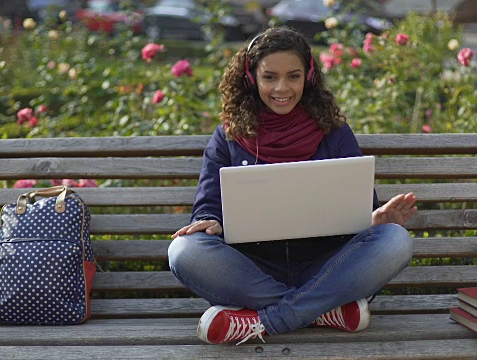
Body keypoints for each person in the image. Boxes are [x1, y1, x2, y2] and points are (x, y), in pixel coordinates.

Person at [168, 27, 417, 345]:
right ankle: (323, 310)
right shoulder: (229, 136)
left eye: (293, 76)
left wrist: (376, 219)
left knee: (395, 239)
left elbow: (360, 208)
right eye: (269, 77)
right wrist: (208, 221)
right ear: (251, 79)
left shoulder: (334, 132)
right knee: (184, 251)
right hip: (252, 269)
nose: (281, 88)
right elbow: (207, 203)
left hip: (327, 266)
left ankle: (266, 320)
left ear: (308, 78)